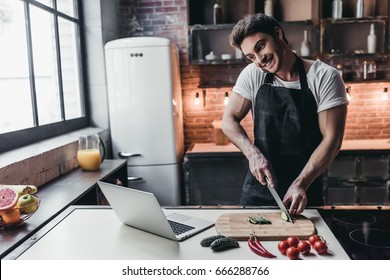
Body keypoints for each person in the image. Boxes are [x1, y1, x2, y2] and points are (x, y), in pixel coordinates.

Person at [222, 13, 348, 215]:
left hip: (304, 193)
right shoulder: (253, 74)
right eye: (251, 56)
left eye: (260, 46)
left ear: (278, 34)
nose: (259, 60)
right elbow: (228, 121)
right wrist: (252, 154)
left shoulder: (324, 76)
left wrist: (301, 183)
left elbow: (332, 140)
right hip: (259, 192)